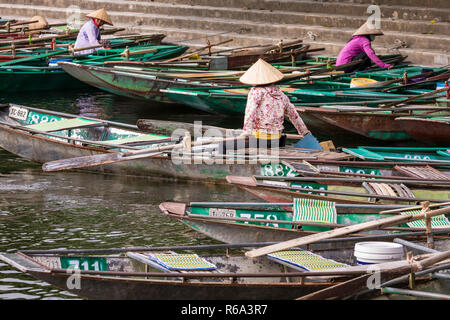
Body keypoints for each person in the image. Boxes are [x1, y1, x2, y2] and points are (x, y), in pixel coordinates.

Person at [229, 58, 311, 152]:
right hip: (277, 140)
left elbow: (250, 112)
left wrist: (247, 132)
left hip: (261, 140)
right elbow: (294, 115)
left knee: (223, 147)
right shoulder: (281, 94)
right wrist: (304, 132)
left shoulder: (256, 92)